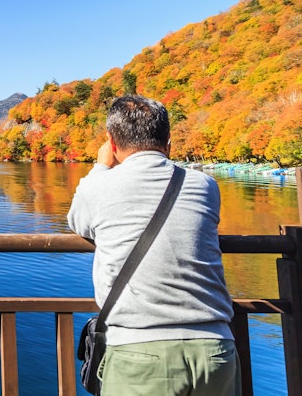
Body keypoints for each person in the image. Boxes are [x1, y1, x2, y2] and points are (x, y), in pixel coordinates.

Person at [67, 95, 239, 396]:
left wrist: (100, 167)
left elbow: (78, 222)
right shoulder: (205, 185)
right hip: (216, 349)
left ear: (112, 142)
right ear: (168, 143)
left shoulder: (98, 186)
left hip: (139, 352)